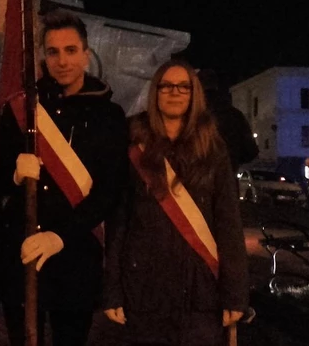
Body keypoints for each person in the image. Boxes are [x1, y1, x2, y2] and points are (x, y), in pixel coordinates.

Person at [0, 9, 129, 345]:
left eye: (71, 50)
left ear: (86, 54)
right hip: (21, 255)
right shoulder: (21, 110)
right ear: (43, 56)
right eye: (53, 52)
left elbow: (109, 192)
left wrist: (60, 235)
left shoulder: (110, 116)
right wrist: (13, 175)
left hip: (76, 257)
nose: (62, 60)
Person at [103, 61, 249, 345]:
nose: (175, 92)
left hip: (200, 290)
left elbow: (228, 222)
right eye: (167, 86)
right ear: (155, 92)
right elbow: (119, 221)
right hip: (144, 289)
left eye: (183, 86)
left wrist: (235, 294)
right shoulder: (133, 145)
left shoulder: (213, 147)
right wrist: (112, 290)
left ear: (194, 94)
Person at [197, 68, 259, 172]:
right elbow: (250, 152)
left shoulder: (191, 116)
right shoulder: (234, 115)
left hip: (197, 177)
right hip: (226, 176)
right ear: (216, 85)